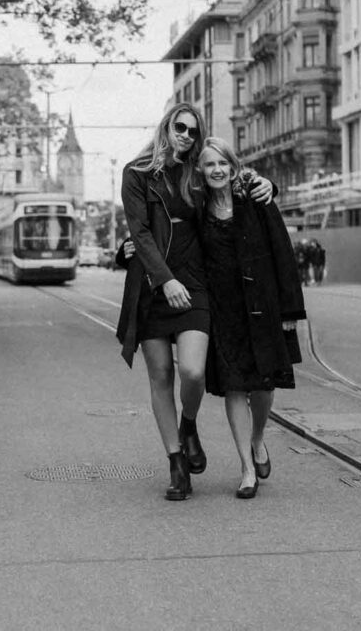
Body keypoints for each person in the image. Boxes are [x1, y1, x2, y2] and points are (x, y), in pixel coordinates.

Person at [116, 103, 273, 502]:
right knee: (161, 378)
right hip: (153, 288)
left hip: (196, 283)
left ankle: (189, 425)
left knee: (193, 372)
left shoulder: (195, 173)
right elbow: (141, 232)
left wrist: (266, 183)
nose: (186, 135)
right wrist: (163, 280)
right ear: (166, 125)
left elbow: (230, 182)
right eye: (180, 127)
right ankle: (176, 464)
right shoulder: (135, 174)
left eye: (192, 131)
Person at [199, 137, 306, 499]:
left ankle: (258, 438)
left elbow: (282, 253)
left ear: (232, 167)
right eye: (209, 164)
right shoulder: (198, 208)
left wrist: (290, 311)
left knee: (263, 386)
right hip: (222, 311)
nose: (216, 170)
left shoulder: (257, 199)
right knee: (234, 386)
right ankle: (246, 468)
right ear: (201, 170)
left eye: (222, 164)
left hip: (262, 307)